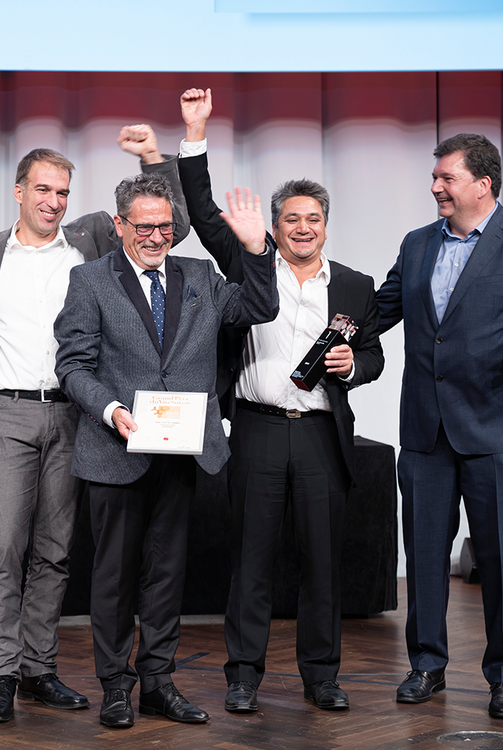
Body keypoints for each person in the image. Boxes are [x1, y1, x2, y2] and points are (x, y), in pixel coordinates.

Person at [0, 126, 190, 723]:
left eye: (63, 192)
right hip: (8, 410)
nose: (54, 201)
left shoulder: (91, 238)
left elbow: (170, 223)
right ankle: (0, 676)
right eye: (43, 190)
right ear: (19, 191)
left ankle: (37, 669)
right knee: (4, 548)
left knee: (55, 549)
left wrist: (153, 158)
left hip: (78, 412)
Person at [178, 88, 384, 714]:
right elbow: (202, 211)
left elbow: (373, 356)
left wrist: (355, 367)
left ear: (326, 224)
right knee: (252, 559)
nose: (302, 228)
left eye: (312, 218)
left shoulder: (355, 286)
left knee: (323, 561)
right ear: (273, 226)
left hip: (322, 434)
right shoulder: (248, 265)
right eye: (291, 218)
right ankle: (243, 676)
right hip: (258, 431)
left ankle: (322, 676)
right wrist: (195, 134)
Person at [54, 171, 279, 728]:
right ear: (119, 224)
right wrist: (111, 410)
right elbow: (73, 366)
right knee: (114, 576)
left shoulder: (200, 275)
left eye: (165, 227)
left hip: (180, 454)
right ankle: (115, 685)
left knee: (167, 574)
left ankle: (158, 683)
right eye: (145, 227)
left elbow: (259, 306)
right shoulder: (89, 280)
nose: (157, 236)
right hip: (116, 451)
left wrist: (256, 249)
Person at [376, 133, 503, 719]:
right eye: (435, 177)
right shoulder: (417, 242)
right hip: (425, 433)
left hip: (492, 432)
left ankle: (501, 675)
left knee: (497, 559)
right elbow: (379, 310)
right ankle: (426, 665)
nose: (435, 188)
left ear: (483, 184)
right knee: (424, 555)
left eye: (446, 178)